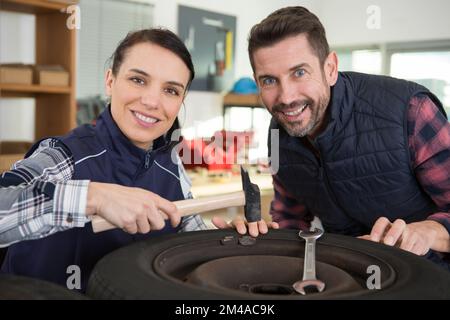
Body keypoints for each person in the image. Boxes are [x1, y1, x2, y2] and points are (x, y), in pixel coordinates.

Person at [0, 28, 275, 292]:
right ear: (110, 81)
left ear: (181, 101)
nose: (152, 101)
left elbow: (188, 242)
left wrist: (227, 243)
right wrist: (94, 197)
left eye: (171, 90)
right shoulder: (63, 156)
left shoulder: (171, 166)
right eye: (138, 80)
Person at [248, 6, 450, 269]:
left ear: (330, 68)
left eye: (299, 73)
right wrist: (252, 239)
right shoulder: (278, 132)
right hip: (347, 277)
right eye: (269, 81)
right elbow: (289, 220)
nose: (286, 97)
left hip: (428, 278)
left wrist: (428, 232)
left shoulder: (412, 111)